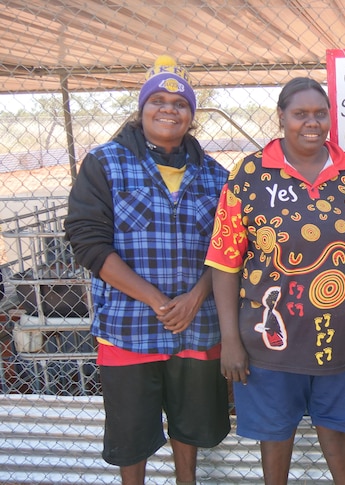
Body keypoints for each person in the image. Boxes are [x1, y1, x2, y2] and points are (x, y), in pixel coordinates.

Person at [205, 77, 345, 485]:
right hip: (269, 342)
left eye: (320, 114)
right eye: (300, 114)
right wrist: (231, 340)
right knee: (274, 436)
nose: (312, 122)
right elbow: (224, 262)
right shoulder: (249, 174)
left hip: (340, 339)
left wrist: (335, 289)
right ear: (282, 118)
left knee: (337, 430)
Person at [65, 55, 230, 485]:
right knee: (131, 431)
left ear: (191, 116)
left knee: (190, 423)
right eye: (158, 100)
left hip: (197, 322)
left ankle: (186, 481)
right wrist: (157, 300)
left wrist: (196, 297)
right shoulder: (104, 163)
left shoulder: (216, 176)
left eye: (180, 103)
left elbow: (229, 247)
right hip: (128, 326)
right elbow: (88, 241)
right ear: (142, 109)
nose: (169, 109)